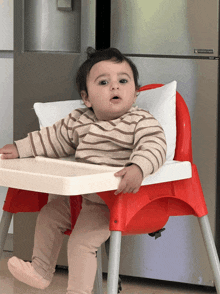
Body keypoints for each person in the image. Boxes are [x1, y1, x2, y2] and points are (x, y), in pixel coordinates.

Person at [0, 47, 167, 294]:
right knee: (49, 214)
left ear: (135, 94)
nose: (115, 87)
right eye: (103, 82)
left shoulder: (141, 121)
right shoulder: (80, 120)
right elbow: (52, 139)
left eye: (123, 80)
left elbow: (155, 145)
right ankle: (41, 272)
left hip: (114, 201)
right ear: (86, 98)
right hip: (82, 199)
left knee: (81, 242)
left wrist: (138, 167)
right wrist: (19, 148)